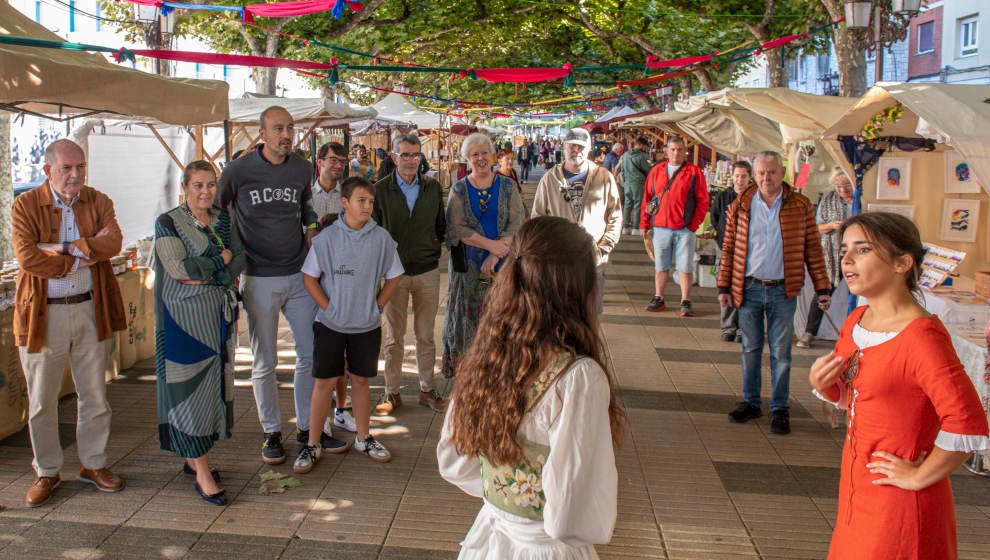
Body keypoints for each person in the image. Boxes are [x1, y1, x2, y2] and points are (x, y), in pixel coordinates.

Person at [437, 216, 624, 559]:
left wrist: (508, 500)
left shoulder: (488, 353)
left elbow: (453, 461)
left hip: (489, 540)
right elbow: (572, 513)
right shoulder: (578, 378)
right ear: (577, 288)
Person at [810, 212, 989, 559]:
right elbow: (867, 395)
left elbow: (967, 421)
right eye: (845, 249)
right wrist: (827, 385)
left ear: (902, 262)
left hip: (900, 504)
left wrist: (920, 476)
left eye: (862, 250)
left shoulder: (922, 339)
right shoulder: (856, 320)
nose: (846, 259)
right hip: (857, 487)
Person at [12, 139, 127, 507]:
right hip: (43, 314)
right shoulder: (25, 204)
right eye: (67, 168)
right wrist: (79, 256)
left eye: (80, 167)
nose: (76, 174)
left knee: (94, 394)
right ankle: (47, 471)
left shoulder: (99, 200)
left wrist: (60, 247)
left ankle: (93, 464)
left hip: (91, 309)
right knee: (42, 399)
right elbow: (28, 258)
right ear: (48, 171)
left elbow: (113, 243)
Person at [218, 105, 326, 465]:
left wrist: (311, 229)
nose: (286, 135)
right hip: (258, 276)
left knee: (309, 353)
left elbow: (307, 204)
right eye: (278, 128)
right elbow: (219, 211)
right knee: (265, 360)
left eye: (290, 128)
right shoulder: (238, 170)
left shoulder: (301, 167)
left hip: (298, 274)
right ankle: (271, 430)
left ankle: (307, 427)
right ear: (261, 134)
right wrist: (230, 252)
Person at [294, 177, 404, 472]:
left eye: (370, 201)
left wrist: (377, 305)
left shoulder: (381, 238)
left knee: (361, 381)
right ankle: (313, 443)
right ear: (345, 203)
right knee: (324, 382)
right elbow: (309, 278)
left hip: (366, 326)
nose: (367, 206)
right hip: (330, 325)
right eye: (361, 201)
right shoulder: (326, 239)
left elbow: (394, 276)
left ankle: (364, 437)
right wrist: (329, 307)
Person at [153, 160, 246, 506]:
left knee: (213, 387)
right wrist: (219, 262)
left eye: (211, 185)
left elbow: (240, 257)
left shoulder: (223, 218)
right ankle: (202, 470)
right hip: (183, 320)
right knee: (190, 388)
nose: (205, 192)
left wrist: (213, 270)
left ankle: (196, 458)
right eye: (198, 186)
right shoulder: (169, 222)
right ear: (184, 187)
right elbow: (179, 268)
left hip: (217, 317)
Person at [717, 151, 830, 435]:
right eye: (761, 173)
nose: (766, 178)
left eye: (771, 172)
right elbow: (729, 248)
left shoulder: (801, 205)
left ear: (782, 174)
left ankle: (780, 408)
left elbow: (813, 250)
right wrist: (723, 285)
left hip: (784, 290)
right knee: (750, 350)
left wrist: (822, 287)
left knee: (781, 353)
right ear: (754, 175)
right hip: (749, 288)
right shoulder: (740, 205)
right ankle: (751, 402)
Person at [371, 134, 449, 415]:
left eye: (415, 155)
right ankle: (391, 392)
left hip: (427, 270)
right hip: (394, 275)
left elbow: (441, 225)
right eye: (405, 155)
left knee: (426, 336)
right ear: (394, 157)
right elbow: (374, 231)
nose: (411, 160)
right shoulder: (380, 190)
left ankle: (427, 390)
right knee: (393, 336)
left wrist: (431, 249)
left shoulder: (431, 187)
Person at [441, 133, 525, 378]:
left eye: (484, 153)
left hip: (503, 267)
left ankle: (498, 374)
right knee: (468, 324)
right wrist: (491, 245)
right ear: (467, 158)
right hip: (467, 271)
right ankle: (468, 375)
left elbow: (516, 223)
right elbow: (456, 228)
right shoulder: (458, 189)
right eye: (474, 154)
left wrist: (496, 255)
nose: (480, 158)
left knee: (501, 321)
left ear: (493, 156)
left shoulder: (508, 187)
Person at [532, 127, 621, 314]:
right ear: (563, 147)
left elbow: (615, 216)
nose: (576, 150)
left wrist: (603, 248)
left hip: (593, 259)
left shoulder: (604, 177)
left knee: (590, 315)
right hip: (558, 261)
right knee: (559, 314)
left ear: (589, 148)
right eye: (571, 145)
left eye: (581, 146)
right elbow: (538, 220)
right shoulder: (549, 179)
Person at [312, 142, 357, 434]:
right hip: (312, 279)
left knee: (341, 353)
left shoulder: (349, 195)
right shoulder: (305, 195)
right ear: (319, 161)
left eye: (342, 160)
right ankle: (320, 417)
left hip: (343, 280)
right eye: (332, 160)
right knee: (317, 354)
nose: (337, 165)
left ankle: (341, 410)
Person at [640, 136, 709, 317]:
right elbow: (647, 199)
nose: (676, 153)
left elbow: (703, 202)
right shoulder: (656, 171)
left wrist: (693, 225)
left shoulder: (694, 172)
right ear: (666, 150)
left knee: (685, 267)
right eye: (673, 149)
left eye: (679, 149)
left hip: (684, 229)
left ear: (685, 151)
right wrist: (644, 223)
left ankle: (685, 301)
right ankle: (658, 297)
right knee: (660, 266)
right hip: (661, 227)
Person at [796, 167, 854, 349]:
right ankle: (809, 333)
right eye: (838, 186)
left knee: (859, 294)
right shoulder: (828, 200)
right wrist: (830, 225)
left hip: (858, 255)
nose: (842, 190)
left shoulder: (861, 201)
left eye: (846, 186)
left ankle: (854, 335)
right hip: (831, 254)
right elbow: (815, 228)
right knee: (824, 292)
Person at [710, 161, 754, 343]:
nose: (740, 179)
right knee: (726, 288)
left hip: (749, 252)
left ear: (750, 178)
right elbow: (715, 219)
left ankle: (743, 329)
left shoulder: (755, 198)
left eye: (744, 176)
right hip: (727, 250)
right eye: (737, 176)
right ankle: (728, 327)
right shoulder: (723, 197)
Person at [618, 137, 652, 235]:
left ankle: (625, 227)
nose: (645, 148)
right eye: (644, 146)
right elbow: (648, 170)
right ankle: (635, 228)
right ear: (641, 145)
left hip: (627, 183)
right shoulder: (641, 156)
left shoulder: (625, 155)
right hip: (638, 183)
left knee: (627, 205)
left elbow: (622, 170)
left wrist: (626, 179)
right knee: (638, 205)